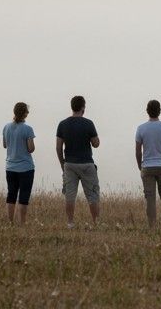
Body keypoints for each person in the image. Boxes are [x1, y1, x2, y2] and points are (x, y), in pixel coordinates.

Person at [55, 95, 100, 227]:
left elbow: (58, 147)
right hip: (86, 163)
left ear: (72, 106)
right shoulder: (88, 123)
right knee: (92, 195)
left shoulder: (62, 124)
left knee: (70, 196)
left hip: (69, 164)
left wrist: (62, 163)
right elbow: (96, 143)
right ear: (83, 107)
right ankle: (96, 222)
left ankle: (70, 223)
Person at [134, 99, 161, 226]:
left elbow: (138, 151)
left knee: (150, 198)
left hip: (147, 167)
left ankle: (152, 225)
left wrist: (140, 166)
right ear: (160, 111)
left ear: (147, 111)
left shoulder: (141, 128)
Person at [2, 102, 35, 224]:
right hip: (26, 167)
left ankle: (10, 221)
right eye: (27, 111)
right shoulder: (27, 129)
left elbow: (5, 145)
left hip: (10, 166)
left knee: (11, 195)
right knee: (24, 196)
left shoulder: (6, 127)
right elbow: (31, 148)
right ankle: (22, 223)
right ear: (24, 113)